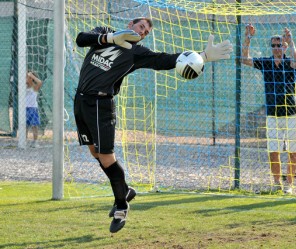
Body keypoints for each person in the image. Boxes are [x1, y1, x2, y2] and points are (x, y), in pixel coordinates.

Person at [74, 17, 233, 233]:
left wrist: (203, 56)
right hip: (81, 100)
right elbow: (81, 39)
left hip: (101, 105)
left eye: (146, 32)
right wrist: (111, 37)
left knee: (106, 157)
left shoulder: (137, 53)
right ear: (130, 24)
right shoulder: (104, 33)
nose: (143, 32)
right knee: (94, 153)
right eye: (141, 27)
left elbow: (165, 60)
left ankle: (121, 206)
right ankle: (125, 191)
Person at [241, 24, 296, 194]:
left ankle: (289, 184)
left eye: (279, 45)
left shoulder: (290, 62)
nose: (276, 48)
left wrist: (292, 42)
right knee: (273, 150)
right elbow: (244, 59)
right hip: (273, 114)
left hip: (292, 113)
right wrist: (248, 38)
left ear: (285, 46)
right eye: (273, 45)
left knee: (293, 150)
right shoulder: (266, 62)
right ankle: (276, 183)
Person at [26, 71, 43, 148]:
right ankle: (24, 141)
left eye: (27, 77)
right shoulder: (23, 87)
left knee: (34, 126)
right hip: (24, 109)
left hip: (33, 109)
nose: (25, 78)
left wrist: (32, 76)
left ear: (31, 79)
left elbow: (39, 82)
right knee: (24, 126)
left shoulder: (34, 87)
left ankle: (35, 142)